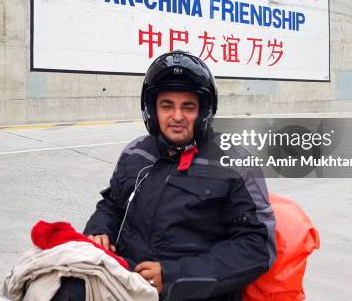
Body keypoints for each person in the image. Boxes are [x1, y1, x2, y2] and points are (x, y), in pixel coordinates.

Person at [54, 50, 276, 300]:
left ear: (203, 112)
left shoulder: (235, 163)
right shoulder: (136, 153)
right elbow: (112, 203)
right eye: (167, 105)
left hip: (190, 292)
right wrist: (99, 227)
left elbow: (256, 247)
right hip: (126, 278)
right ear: (152, 110)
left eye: (188, 107)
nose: (177, 117)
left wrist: (174, 276)